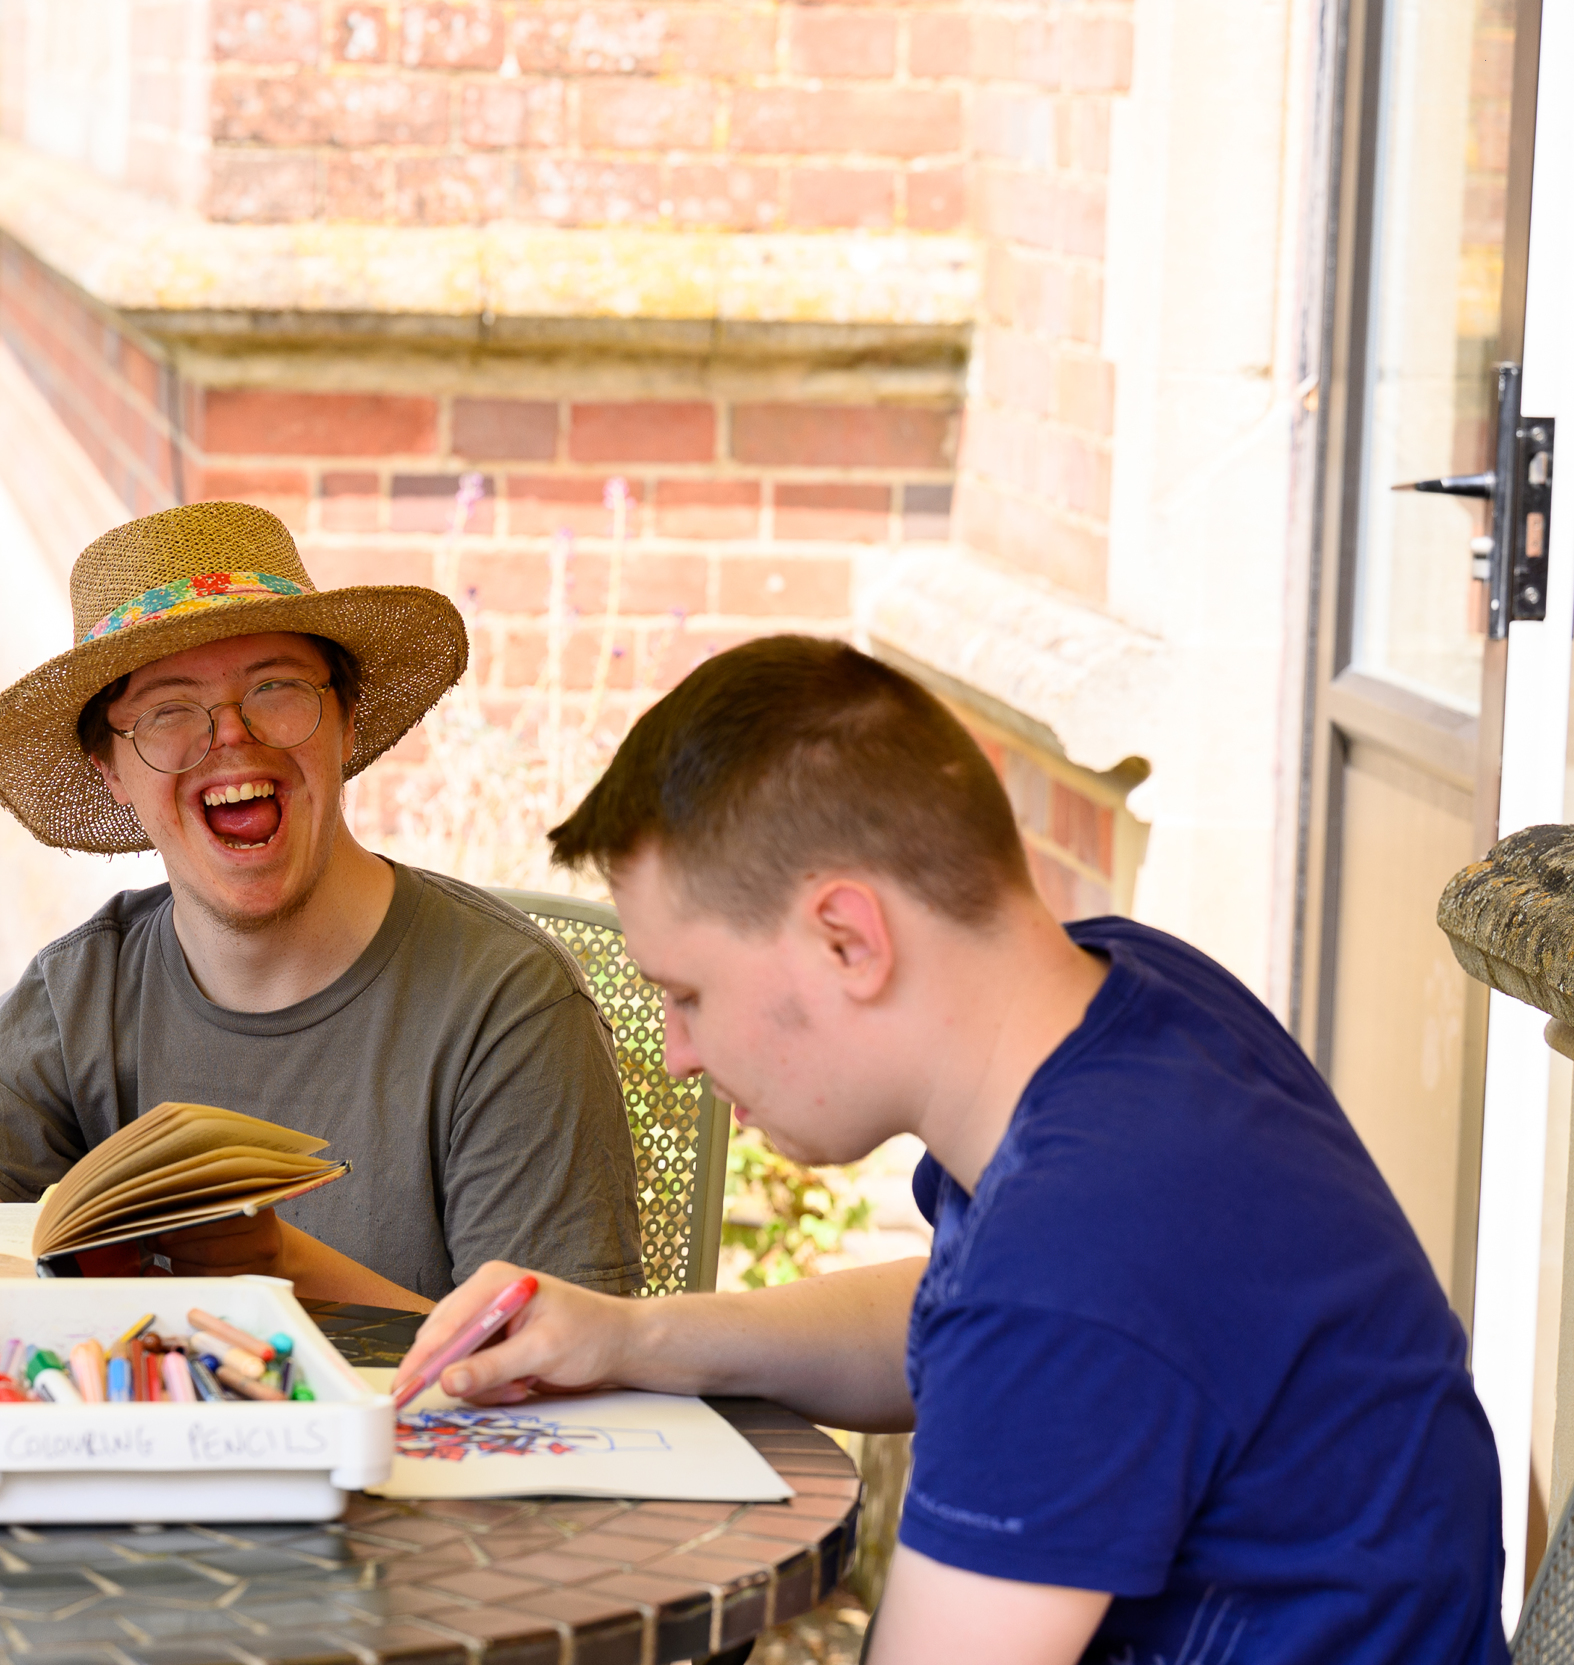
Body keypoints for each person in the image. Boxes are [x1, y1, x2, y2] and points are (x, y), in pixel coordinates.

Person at [395, 636, 1506, 1662]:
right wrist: (635, 1337)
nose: (677, 1055)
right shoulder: (1134, 1007)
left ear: (847, 938)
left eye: (686, 995)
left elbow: (1041, 1316)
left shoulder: (1085, 1251)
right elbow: (956, 1311)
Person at [0, 501, 643, 1310]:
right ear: (109, 772)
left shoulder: (509, 1006)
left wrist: (286, 1273)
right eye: (168, 712)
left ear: (344, 719)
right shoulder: (80, 998)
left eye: (276, 688)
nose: (230, 735)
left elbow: (555, 1381)